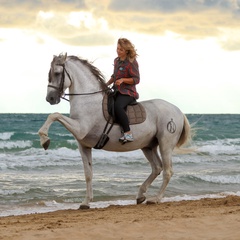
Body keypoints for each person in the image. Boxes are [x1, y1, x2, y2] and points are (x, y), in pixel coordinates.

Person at [106, 38, 140, 143]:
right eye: (117, 48)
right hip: (116, 91)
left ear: (126, 51)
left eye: (121, 49)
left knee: (118, 106)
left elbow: (136, 79)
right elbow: (114, 76)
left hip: (128, 93)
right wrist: (105, 85)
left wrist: (123, 80)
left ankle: (128, 133)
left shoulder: (132, 62)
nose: (118, 51)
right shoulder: (116, 61)